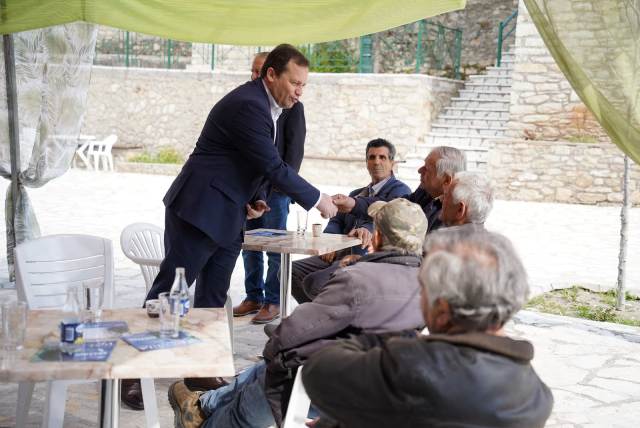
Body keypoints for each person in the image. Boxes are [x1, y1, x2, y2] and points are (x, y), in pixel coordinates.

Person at [123, 44, 337, 410]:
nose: (300, 92)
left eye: (304, 85)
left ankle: (201, 369)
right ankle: (129, 374)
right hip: (198, 210)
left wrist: (256, 199)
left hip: (230, 213)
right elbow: (272, 164)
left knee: (212, 296)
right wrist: (318, 198)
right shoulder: (248, 104)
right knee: (168, 293)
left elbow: (250, 164)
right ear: (272, 74)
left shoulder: (271, 108)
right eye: (295, 83)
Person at [167, 198, 429, 428]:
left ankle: (201, 410)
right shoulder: (433, 285)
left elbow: (291, 333)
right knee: (272, 366)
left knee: (271, 372)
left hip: (332, 390)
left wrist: (275, 351)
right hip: (386, 393)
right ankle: (203, 404)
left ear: (378, 237)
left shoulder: (359, 279)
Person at [302, 226, 555, 428]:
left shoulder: (411, 366)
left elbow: (318, 370)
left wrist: (394, 338)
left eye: (423, 289)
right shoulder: (536, 396)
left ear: (442, 312)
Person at [291, 138, 411, 303]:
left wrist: (367, 228)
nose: (376, 162)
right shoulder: (356, 193)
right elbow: (336, 221)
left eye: (382, 157)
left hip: (363, 257)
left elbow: (383, 213)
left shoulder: (401, 191)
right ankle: (318, 314)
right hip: (338, 252)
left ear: (392, 163)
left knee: (315, 284)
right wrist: (330, 243)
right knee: (290, 271)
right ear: (366, 162)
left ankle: (327, 315)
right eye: (372, 157)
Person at [235, 52, 307, 324]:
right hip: (250, 191)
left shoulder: (292, 107)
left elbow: (294, 152)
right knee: (249, 246)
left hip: (276, 192)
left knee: (276, 249)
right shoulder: (250, 103)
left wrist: (282, 187)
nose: (255, 76)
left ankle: (273, 300)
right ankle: (253, 296)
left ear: (272, 73)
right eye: (253, 71)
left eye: (259, 71)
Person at [333, 145, 465, 233]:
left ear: (446, 180)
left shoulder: (452, 213)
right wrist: (353, 203)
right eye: (371, 157)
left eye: (427, 169)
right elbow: (393, 206)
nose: (419, 170)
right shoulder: (425, 193)